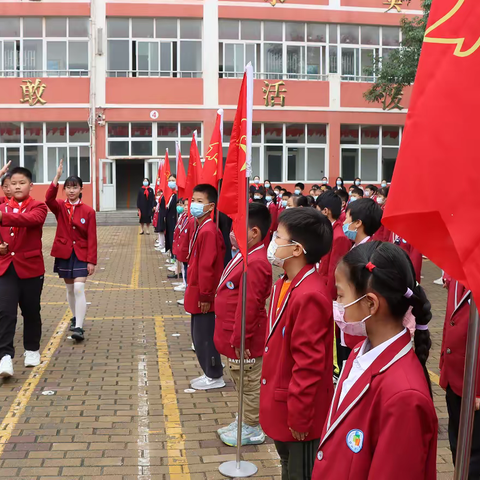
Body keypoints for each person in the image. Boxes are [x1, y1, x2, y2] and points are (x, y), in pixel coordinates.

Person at [312, 241, 437, 480]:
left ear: (371, 303)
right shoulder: (361, 351)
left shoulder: (404, 395)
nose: (336, 305)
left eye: (340, 295)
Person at [260, 208, 334, 480]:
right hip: (282, 404)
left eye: (278, 237)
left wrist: (300, 415)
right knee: (287, 465)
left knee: (299, 472)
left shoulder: (310, 294)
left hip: (299, 412)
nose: (272, 242)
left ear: (296, 250)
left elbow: (309, 363)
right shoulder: (285, 283)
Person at [215, 203, 272, 446]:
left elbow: (249, 306)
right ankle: (244, 419)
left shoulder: (256, 262)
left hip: (244, 341)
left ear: (254, 233)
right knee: (240, 381)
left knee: (249, 384)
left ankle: (252, 426)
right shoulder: (244, 255)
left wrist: (241, 338)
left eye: (237, 228)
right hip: (234, 337)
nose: (230, 233)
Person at [0, 167, 47, 378]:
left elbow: (30, 221)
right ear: (7, 186)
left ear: (31, 185)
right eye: (13, 183)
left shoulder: (39, 206)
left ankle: (32, 350)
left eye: (22, 183)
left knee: (30, 311)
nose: (17, 187)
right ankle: (5, 357)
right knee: (5, 312)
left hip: (30, 268)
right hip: (5, 267)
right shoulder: (2, 207)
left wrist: (4, 217)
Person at [45, 159, 97, 342]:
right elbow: (48, 199)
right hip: (64, 253)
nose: (71, 190)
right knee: (69, 289)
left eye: (75, 187)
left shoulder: (89, 211)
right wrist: (56, 178)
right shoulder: (59, 206)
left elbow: (92, 238)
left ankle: (79, 327)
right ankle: (75, 316)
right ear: (64, 189)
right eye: (68, 187)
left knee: (78, 288)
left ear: (81, 189)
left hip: (82, 255)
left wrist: (92, 261)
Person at [185, 184, 226, 390]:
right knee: (198, 336)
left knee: (205, 337)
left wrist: (206, 295)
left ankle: (214, 374)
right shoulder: (201, 226)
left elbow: (207, 267)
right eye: (193, 200)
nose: (194, 205)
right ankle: (208, 373)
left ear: (211, 206)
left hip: (204, 295)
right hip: (197, 292)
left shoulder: (209, 230)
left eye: (199, 202)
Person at [440, 277, 480, 479]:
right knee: (457, 445)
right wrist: (444, 364)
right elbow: (451, 317)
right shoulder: (458, 271)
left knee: (474, 456)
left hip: (476, 385)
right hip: (455, 377)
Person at [317, 192, 352, 300]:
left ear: (326, 211)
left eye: (317, 210)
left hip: (328, 293)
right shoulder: (329, 230)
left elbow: (335, 273)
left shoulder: (339, 237)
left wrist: (328, 298)